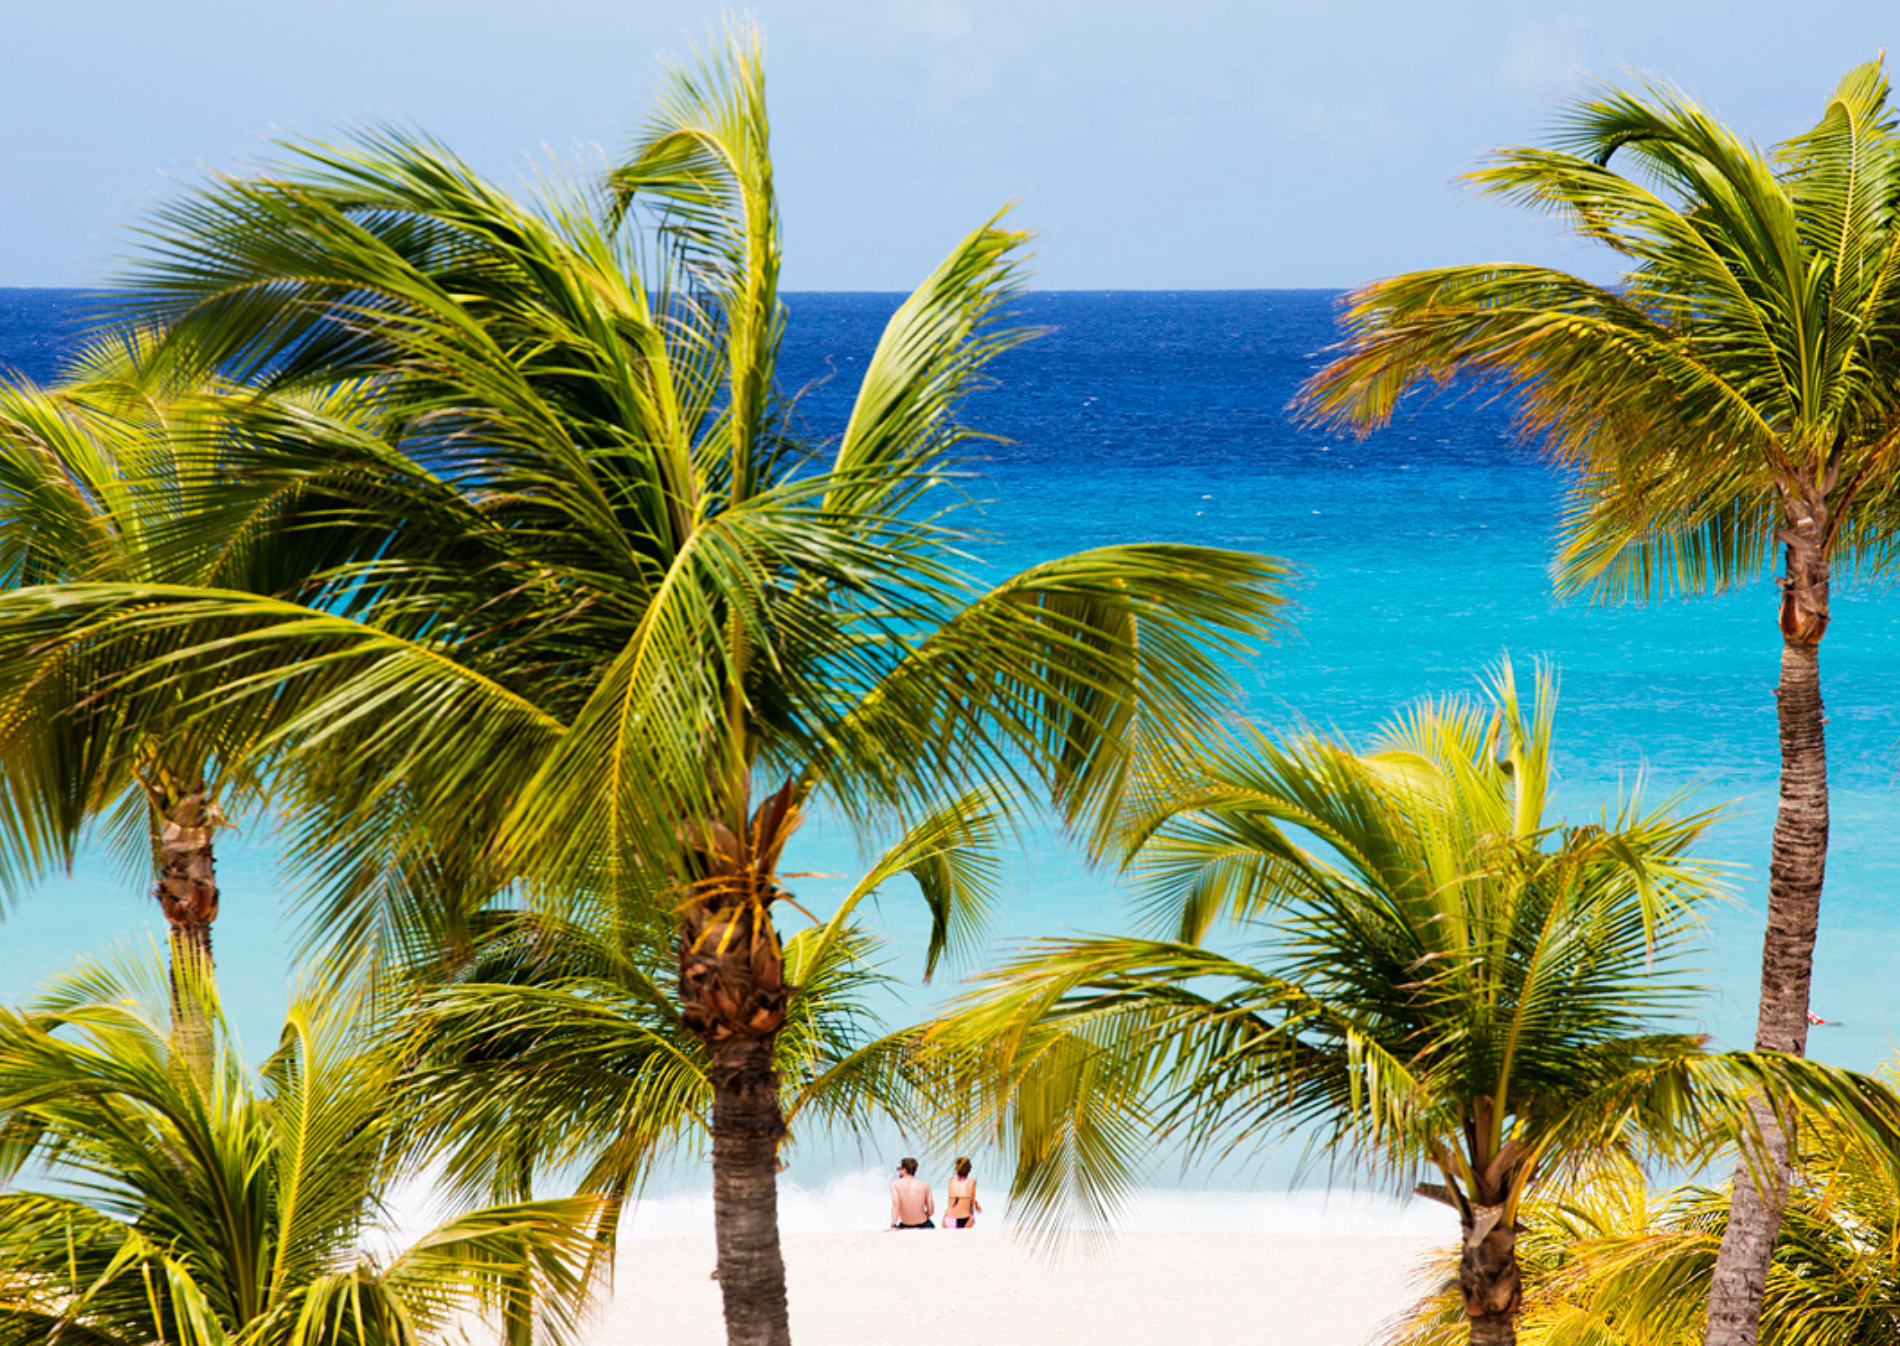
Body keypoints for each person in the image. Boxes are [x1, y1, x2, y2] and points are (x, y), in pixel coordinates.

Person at [890, 1157, 934, 1229]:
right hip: (924, 1224)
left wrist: (893, 1225)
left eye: (898, 1168)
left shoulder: (895, 1184)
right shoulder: (924, 1185)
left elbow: (895, 1204)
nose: (897, 1170)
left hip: (905, 1224)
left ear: (904, 1170)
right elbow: (931, 1211)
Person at [944, 1157, 981, 1229]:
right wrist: (977, 1205)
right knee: (971, 1214)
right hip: (965, 1219)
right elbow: (972, 1201)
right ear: (969, 1170)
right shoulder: (972, 1181)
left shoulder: (951, 1180)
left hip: (949, 1219)